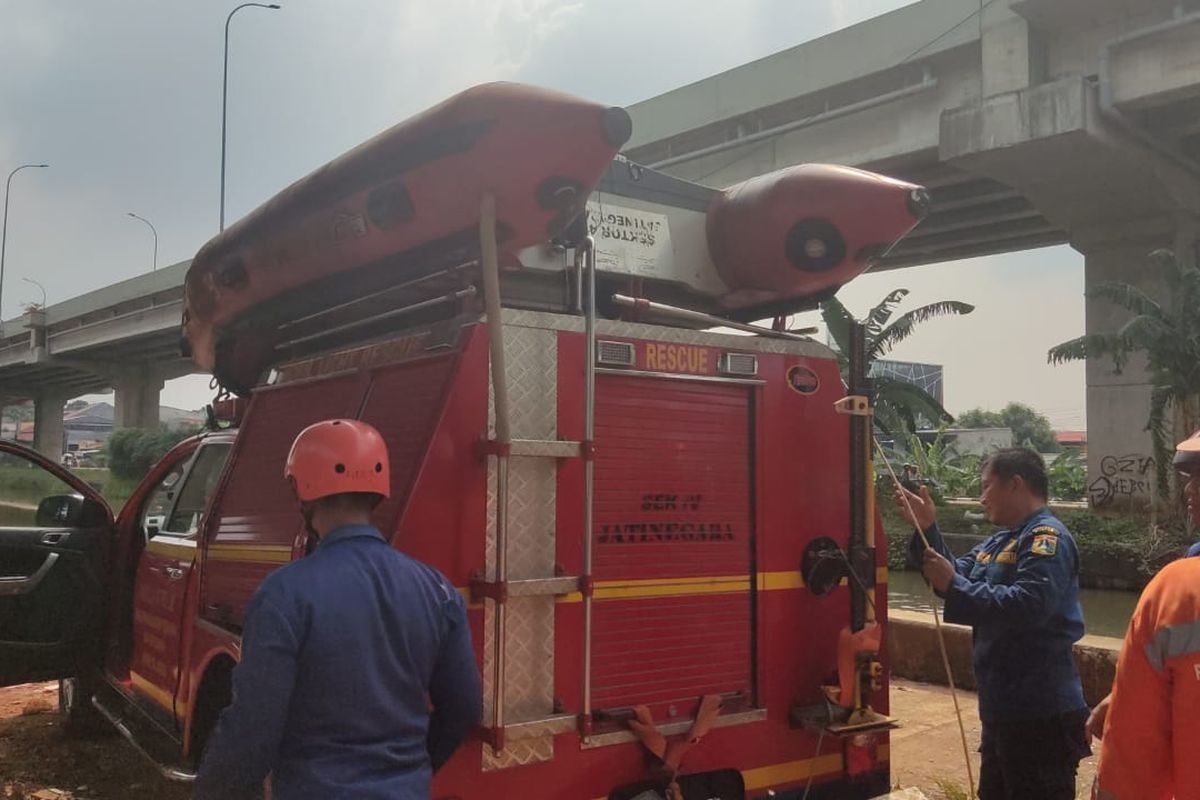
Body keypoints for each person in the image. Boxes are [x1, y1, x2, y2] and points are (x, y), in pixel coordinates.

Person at [194, 419, 482, 799]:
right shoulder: (437, 590)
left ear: (302, 492)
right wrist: (412, 767)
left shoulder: (285, 594)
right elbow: (463, 706)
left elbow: (254, 727)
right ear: (377, 490)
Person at [895, 447, 1089, 800]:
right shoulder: (1000, 541)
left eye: (986, 487)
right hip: (1003, 709)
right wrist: (927, 529)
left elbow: (1028, 605)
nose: (982, 499)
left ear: (1015, 485)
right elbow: (956, 573)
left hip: (1040, 713)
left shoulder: (1046, 539)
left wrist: (955, 585)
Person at [1087, 431, 1200, 799]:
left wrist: (1133, 696)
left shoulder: (1177, 590)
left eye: (1198, 477)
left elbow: (1134, 766)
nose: (1189, 491)